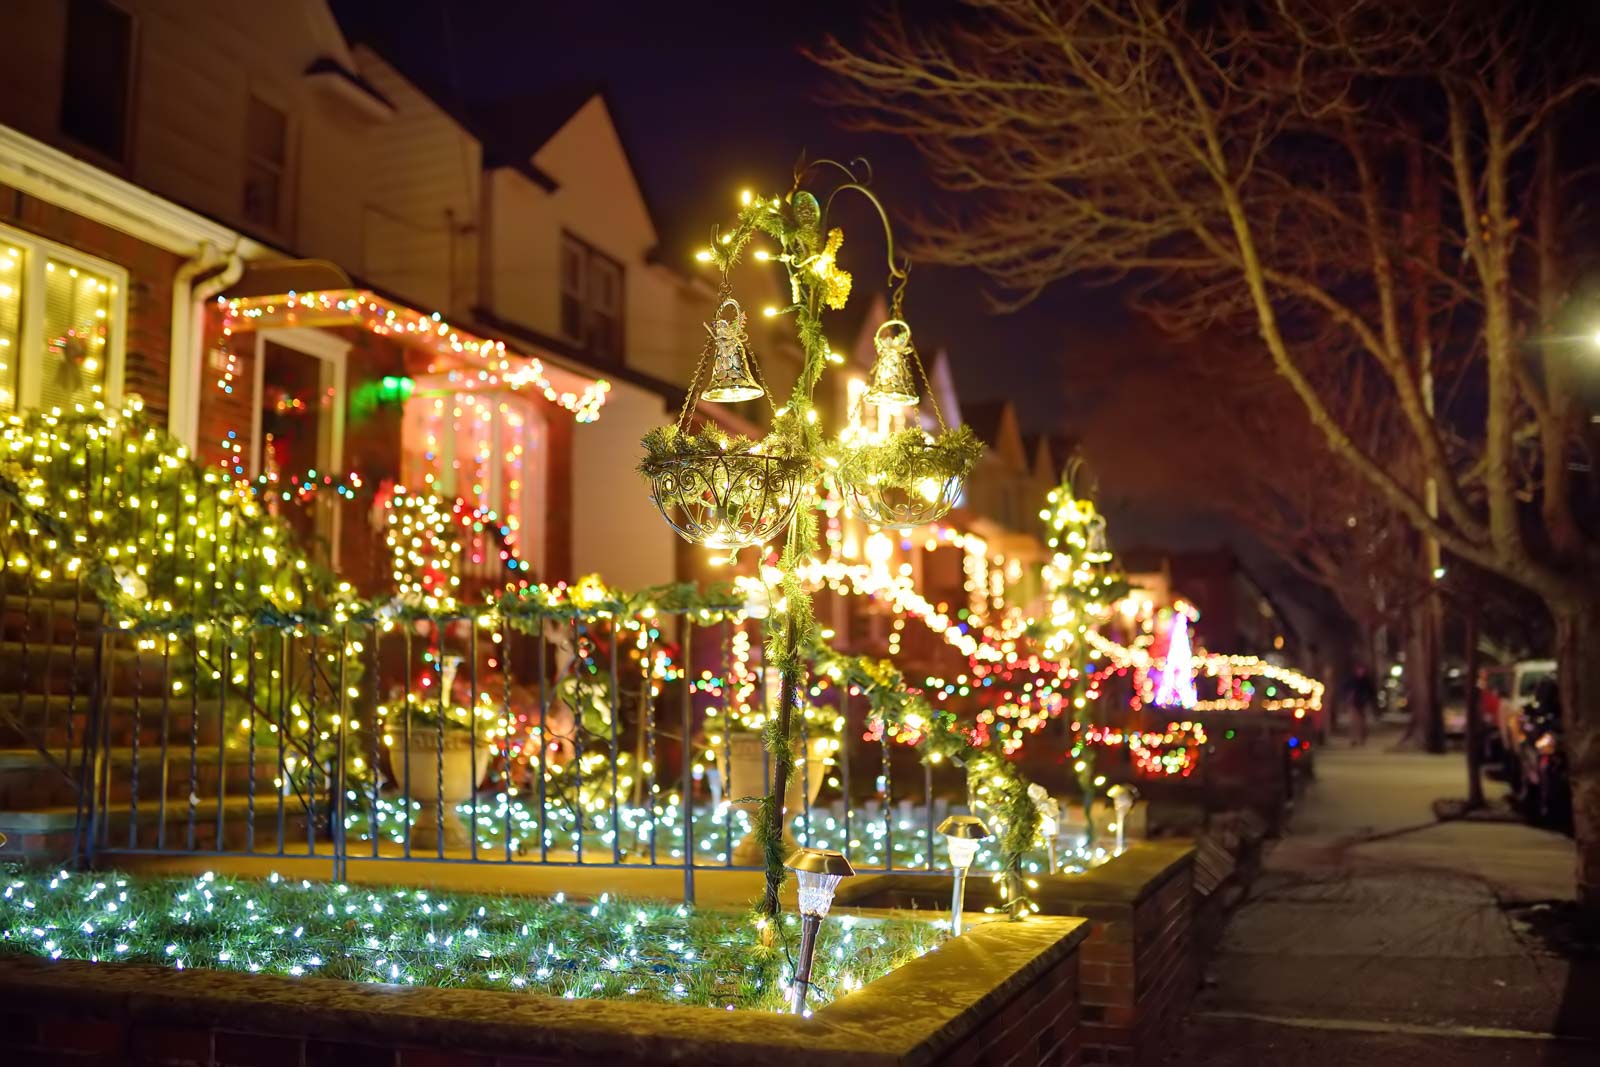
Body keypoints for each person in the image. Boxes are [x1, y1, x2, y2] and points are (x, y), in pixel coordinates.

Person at [1344, 663, 1378, 746]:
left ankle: (1362, 738)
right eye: (1359, 670)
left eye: (1362, 670)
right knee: (1354, 722)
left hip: (1363, 703)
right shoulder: (1351, 680)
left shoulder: (1366, 681)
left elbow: (1371, 691)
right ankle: (1353, 739)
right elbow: (1345, 689)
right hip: (1353, 703)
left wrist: (1368, 699)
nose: (1360, 672)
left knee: (1362, 722)